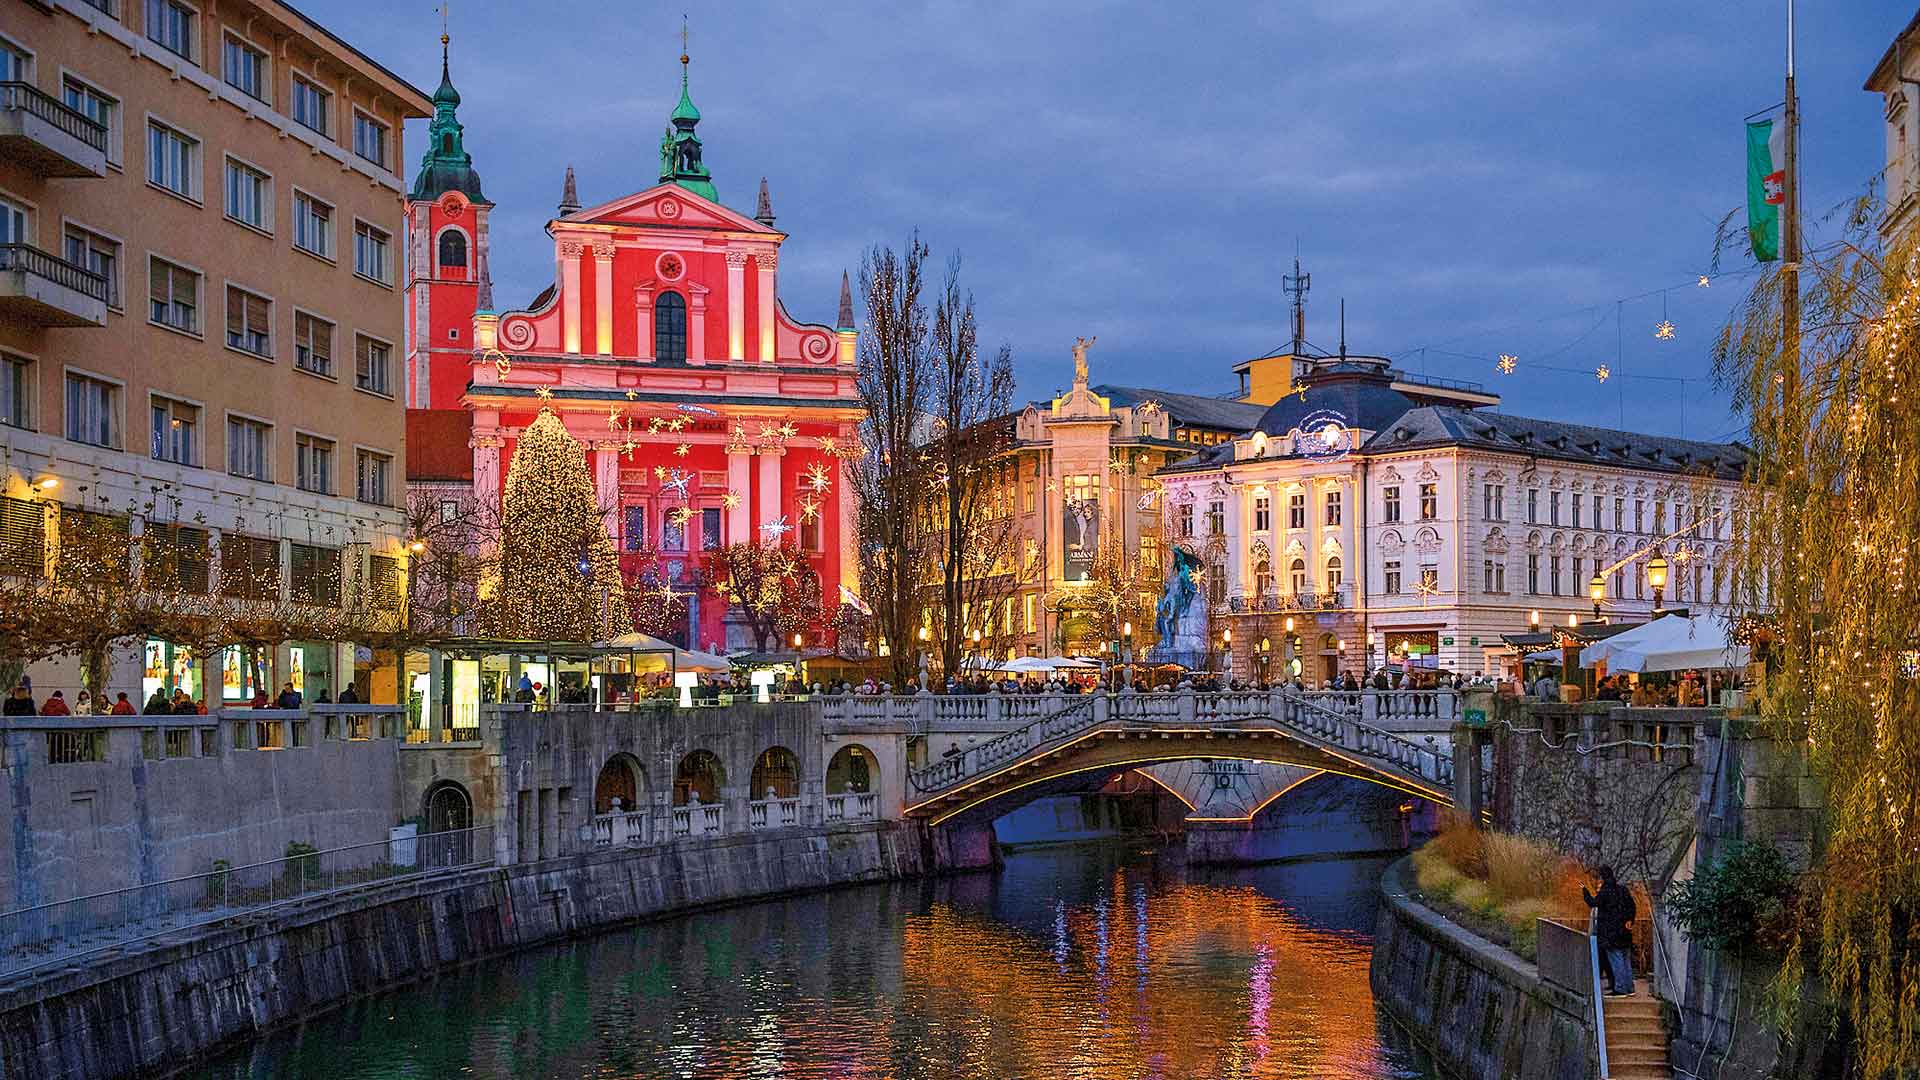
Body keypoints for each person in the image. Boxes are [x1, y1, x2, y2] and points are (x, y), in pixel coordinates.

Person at [1584, 866, 1638, 996]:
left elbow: (1593, 902)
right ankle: (1630, 988)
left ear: (1603, 877)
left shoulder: (1605, 891)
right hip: (1624, 931)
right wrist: (1630, 920)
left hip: (1610, 932)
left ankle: (1620, 989)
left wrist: (1584, 891)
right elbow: (1632, 906)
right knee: (1626, 959)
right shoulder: (1622, 890)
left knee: (1616, 959)